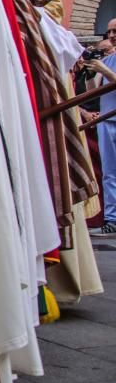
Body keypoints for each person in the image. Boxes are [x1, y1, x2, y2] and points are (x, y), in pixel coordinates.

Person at [88, 17, 116, 236]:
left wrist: (104, 70)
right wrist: (91, 71)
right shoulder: (108, 60)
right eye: (109, 32)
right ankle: (112, 220)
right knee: (109, 174)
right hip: (106, 120)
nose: (112, 36)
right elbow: (92, 89)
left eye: (115, 31)